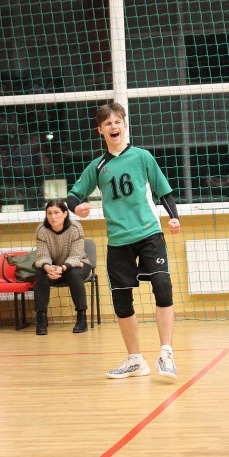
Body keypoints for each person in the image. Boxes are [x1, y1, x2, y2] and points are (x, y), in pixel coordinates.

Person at [67, 102, 181, 380]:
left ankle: (166, 353)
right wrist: (76, 208)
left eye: (118, 121)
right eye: (108, 123)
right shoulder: (98, 167)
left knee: (162, 286)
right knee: (121, 300)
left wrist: (174, 217)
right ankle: (135, 360)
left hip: (149, 233)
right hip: (118, 240)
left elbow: (163, 190)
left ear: (125, 125)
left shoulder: (142, 157)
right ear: (100, 130)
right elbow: (72, 196)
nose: (113, 126)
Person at [32, 199, 92, 335]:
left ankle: (81, 317)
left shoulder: (75, 227)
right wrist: (48, 267)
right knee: (41, 273)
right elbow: (42, 255)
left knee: (73, 274)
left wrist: (63, 268)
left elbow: (76, 256)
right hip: (53, 267)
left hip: (78, 264)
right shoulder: (41, 229)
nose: (53, 217)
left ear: (65, 214)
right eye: (49, 213)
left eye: (56, 212)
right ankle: (41, 317)